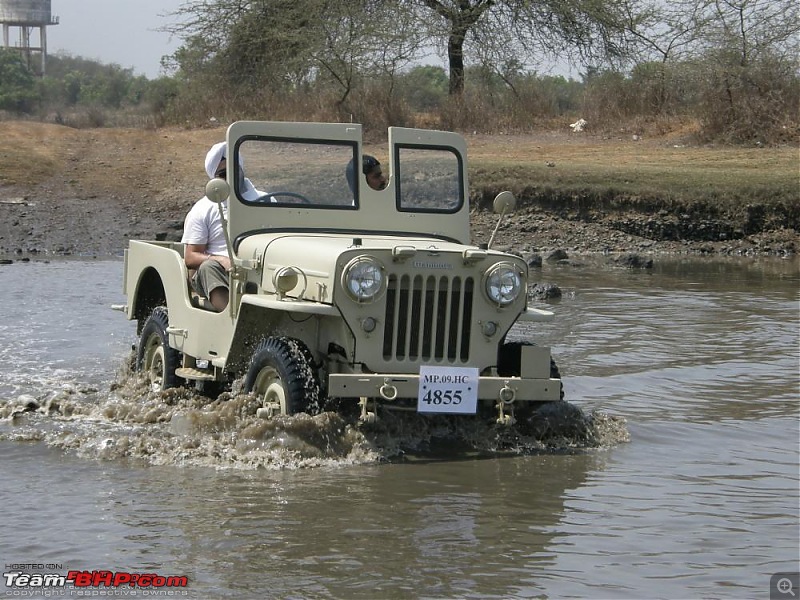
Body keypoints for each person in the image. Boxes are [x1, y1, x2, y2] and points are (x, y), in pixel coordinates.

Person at [181, 141, 262, 311]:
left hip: (259, 268)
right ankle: (232, 321)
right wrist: (219, 259)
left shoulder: (265, 201)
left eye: (234, 170)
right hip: (219, 273)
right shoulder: (204, 209)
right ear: (215, 179)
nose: (231, 177)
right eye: (224, 174)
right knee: (209, 267)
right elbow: (190, 256)